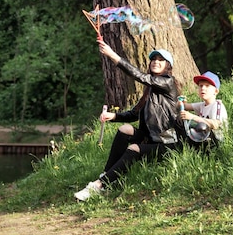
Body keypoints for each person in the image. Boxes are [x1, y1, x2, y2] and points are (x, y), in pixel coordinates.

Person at [74, 39, 183, 201]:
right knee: (124, 129)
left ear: (168, 66)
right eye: (154, 59)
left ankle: (99, 185)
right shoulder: (150, 90)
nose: (156, 62)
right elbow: (134, 114)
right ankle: (108, 175)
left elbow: (139, 76)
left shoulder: (168, 82)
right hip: (152, 138)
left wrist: (112, 55)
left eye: (161, 60)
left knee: (134, 148)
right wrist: (114, 116)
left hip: (167, 143)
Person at [179, 71, 228, 149]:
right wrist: (181, 102)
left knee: (201, 125)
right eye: (201, 86)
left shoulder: (217, 105)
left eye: (207, 86)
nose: (203, 88)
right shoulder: (202, 105)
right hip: (204, 139)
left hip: (216, 142)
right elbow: (185, 106)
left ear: (216, 91)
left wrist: (192, 117)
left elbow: (216, 124)